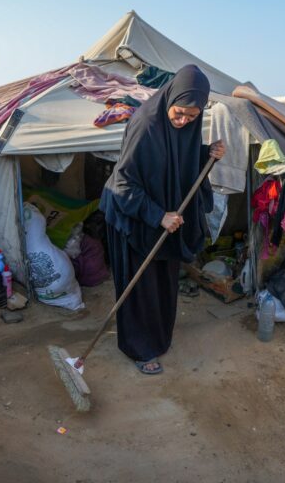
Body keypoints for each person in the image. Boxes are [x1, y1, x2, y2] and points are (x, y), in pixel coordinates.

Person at [99, 64, 225, 374]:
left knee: (163, 281)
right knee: (140, 287)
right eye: (179, 114)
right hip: (132, 214)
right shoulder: (146, 125)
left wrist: (208, 154)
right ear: (171, 98)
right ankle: (139, 349)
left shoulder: (186, 126)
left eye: (192, 117)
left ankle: (157, 339)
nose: (183, 121)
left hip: (166, 217)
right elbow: (124, 183)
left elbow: (179, 160)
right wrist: (157, 216)